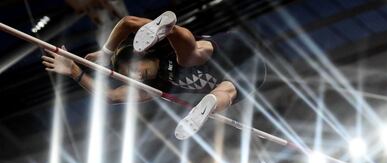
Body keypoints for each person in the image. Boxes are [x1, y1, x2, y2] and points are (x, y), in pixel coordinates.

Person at [42, 11, 266, 139]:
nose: (136, 78)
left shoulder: (161, 49)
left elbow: (129, 23)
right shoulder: (156, 84)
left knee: (191, 56)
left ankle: (169, 27)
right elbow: (112, 96)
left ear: (141, 55)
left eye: (132, 70)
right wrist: (74, 72)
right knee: (226, 90)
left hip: (234, 50)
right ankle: (208, 105)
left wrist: (107, 51)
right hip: (253, 74)